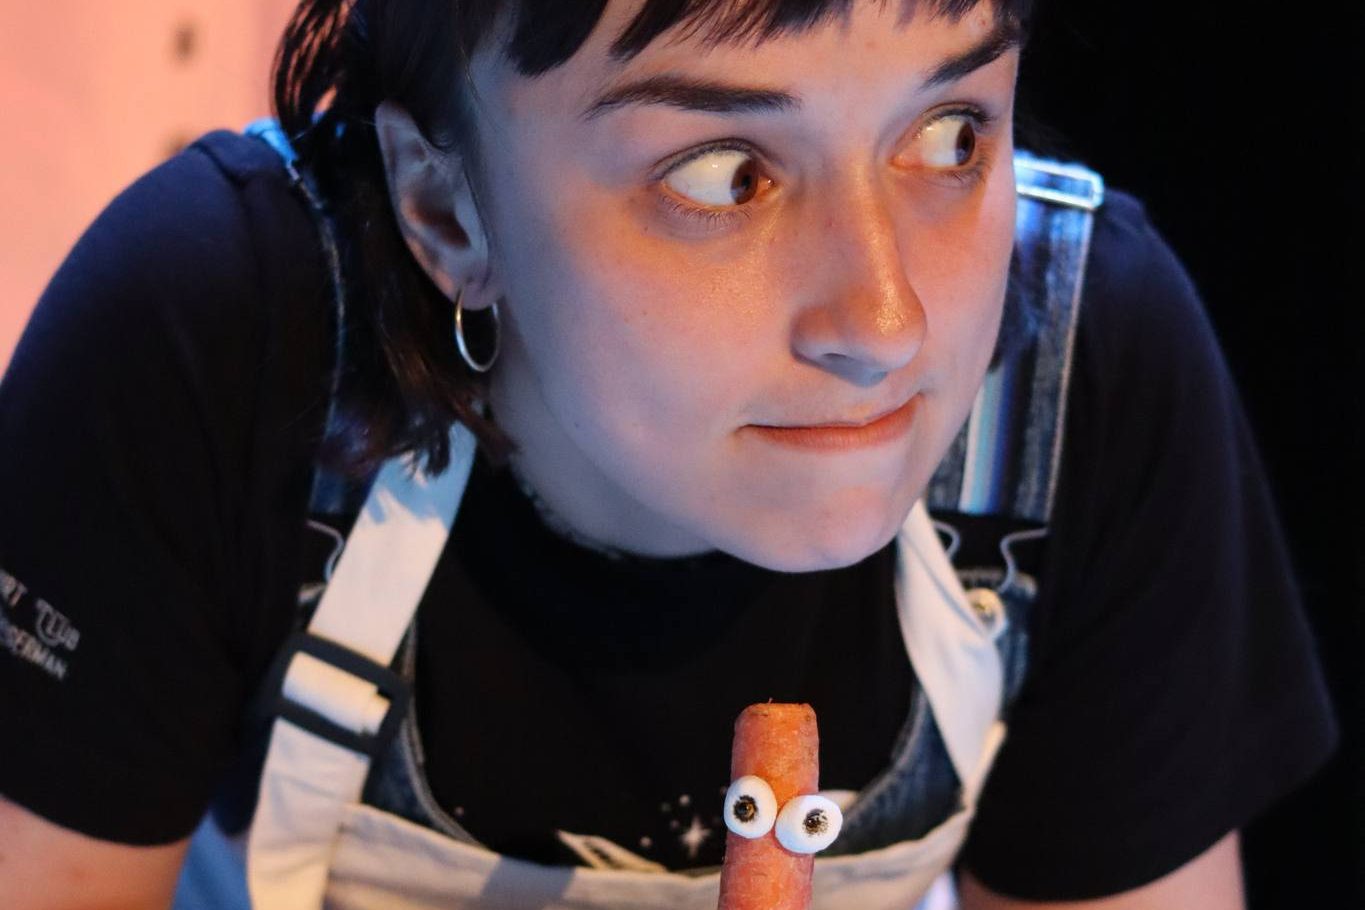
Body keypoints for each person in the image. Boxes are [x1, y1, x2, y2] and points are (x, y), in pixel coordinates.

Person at [0, 0, 1337, 907]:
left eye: (949, 139)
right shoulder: (219, 338)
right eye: (723, 175)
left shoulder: (1081, 366)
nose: (882, 323)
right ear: (442, 205)